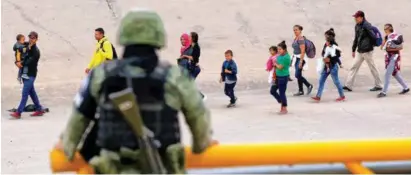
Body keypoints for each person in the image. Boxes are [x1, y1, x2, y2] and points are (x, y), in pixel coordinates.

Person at [54, 8, 214, 174]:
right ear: (158, 36)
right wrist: (201, 144)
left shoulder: (100, 74)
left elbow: (80, 116)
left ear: (123, 36)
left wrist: (67, 145)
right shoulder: (175, 76)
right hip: (163, 168)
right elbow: (198, 116)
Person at [343, 10, 382, 92]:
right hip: (360, 51)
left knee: (372, 68)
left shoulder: (367, 25)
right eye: (355, 17)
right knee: (354, 67)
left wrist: (371, 45)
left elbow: (373, 36)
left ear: (361, 17)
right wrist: (353, 50)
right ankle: (348, 85)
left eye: (356, 17)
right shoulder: (357, 26)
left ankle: (379, 85)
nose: (355, 19)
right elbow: (356, 38)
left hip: (367, 51)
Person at [10, 31, 44, 119]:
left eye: (33, 38)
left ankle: (18, 112)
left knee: (25, 93)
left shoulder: (36, 52)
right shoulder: (26, 45)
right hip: (24, 74)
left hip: (31, 75)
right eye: (30, 37)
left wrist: (19, 63)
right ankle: (39, 109)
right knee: (32, 92)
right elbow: (16, 46)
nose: (31, 39)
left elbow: (29, 62)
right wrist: (17, 60)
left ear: (36, 39)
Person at [377, 24, 409, 98]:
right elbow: (382, 47)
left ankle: (383, 92)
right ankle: (406, 88)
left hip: (394, 56)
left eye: (386, 28)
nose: (385, 30)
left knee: (387, 73)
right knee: (395, 73)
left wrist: (390, 49)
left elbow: (400, 47)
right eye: (384, 28)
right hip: (388, 57)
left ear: (390, 28)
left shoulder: (397, 36)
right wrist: (384, 41)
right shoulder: (387, 36)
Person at [311, 37, 346, 102]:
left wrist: (337, 62)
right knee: (321, 80)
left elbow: (337, 57)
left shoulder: (334, 48)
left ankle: (342, 96)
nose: (326, 42)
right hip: (326, 67)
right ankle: (318, 96)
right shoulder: (327, 47)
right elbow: (324, 55)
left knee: (336, 82)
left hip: (333, 67)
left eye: (327, 41)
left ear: (330, 42)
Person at [270, 41, 291, 114]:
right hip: (277, 76)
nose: (278, 51)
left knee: (282, 92)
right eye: (278, 49)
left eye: (280, 49)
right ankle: (281, 101)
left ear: (284, 50)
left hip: (283, 77)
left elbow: (280, 67)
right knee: (272, 91)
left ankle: (284, 107)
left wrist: (275, 64)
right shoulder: (279, 56)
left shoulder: (286, 57)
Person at [292, 25, 313, 96]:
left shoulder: (300, 39)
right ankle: (301, 90)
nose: (295, 31)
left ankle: (309, 85)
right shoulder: (295, 38)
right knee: (299, 75)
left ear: (300, 30)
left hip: (301, 58)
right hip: (296, 58)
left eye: (296, 30)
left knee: (297, 74)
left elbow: (303, 51)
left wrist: (301, 61)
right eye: (294, 30)